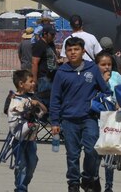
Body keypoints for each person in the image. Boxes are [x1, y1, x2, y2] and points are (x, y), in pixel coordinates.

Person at [50, 37, 110, 192]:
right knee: (72, 155)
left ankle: (88, 178)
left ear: (83, 51)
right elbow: (55, 98)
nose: (73, 53)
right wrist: (55, 122)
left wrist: (106, 100)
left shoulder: (92, 69)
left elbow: (106, 90)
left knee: (92, 150)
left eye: (76, 49)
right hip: (69, 120)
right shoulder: (61, 73)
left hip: (89, 118)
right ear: (66, 52)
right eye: (69, 50)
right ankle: (73, 183)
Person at [7, 69, 46, 192]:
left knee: (32, 164)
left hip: (31, 139)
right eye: (30, 81)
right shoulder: (12, 97)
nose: (33, 83)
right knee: (22, 165)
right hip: (18, 138)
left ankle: (23, 184)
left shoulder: (33, 97)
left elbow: (44, 111)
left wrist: (37, 103)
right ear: (21, 84)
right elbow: (9, 111)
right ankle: (21, 188)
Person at [95, 50, 121, 192]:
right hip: (96, 118)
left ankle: (109, 186)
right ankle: (94, 181)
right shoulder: (93, 77)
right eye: (103, 64)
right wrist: (104, 81)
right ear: (97, 65)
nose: (107, 67)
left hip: (112, 119)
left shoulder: (117, 76)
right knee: (95, 155)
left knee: (109, 155)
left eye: (109, 64)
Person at [31, 24, 58, 106]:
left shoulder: (51, 44)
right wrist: (34, 80)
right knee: (44, 101)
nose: (54, 36)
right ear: (45, 34)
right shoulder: (39, 45)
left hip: (53, 77)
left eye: (54, 34)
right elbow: (34, 63)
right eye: (52, 34)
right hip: (43, 78)